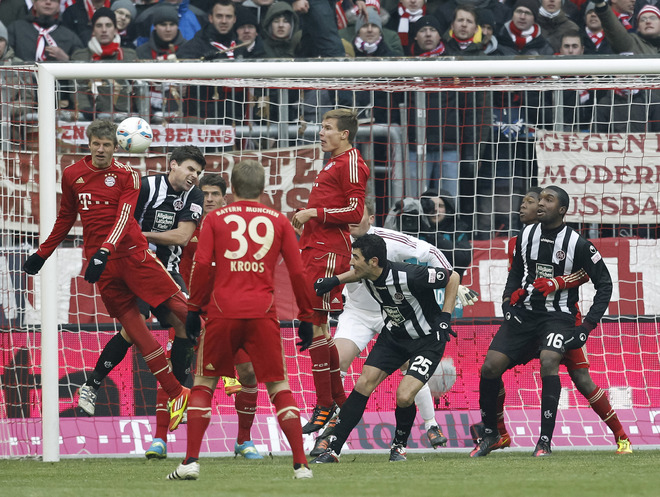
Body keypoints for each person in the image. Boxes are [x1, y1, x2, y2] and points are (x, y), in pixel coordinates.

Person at [22, 120, 190, 433]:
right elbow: (65, 218)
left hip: (134, 257)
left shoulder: (128, 175)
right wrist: (42, 253)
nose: (101, 150)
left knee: (185, 313)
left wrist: (104, 250)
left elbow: (125, 217)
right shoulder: (73, 174)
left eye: (107, 145)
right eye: (96, 144)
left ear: (117, 146)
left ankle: (228, 368)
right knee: (137, 332)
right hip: (103, 267)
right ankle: (176, 392)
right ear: (89, 143)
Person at [166, 159, 316, 480]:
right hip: (263, 313)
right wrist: (306, 316)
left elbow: (202, 266)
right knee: (279, 386)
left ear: (231, 190)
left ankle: (190, 461)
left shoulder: (215, 220)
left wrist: (193, 311)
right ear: (263, 190)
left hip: (222, 312)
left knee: (204, 383)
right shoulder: (279, 220)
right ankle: (301, 464)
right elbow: (298, 271)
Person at [469, 187, 633, 455]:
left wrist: (586, 327)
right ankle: (492, 434)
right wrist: (507, 301)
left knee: (572, 373)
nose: (540, 204)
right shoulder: (525, 236)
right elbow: (517, 272)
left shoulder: (578, 244)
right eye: (539, 199)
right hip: (525, 316)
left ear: (562, 210)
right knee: (490, 367)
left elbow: (603, 283)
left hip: (560, 318)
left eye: (547, 200)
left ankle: (556, 440)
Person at [311, 199, 476, 456]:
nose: (351, 263)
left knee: (404, 392)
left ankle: (423, 428)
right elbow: (356, 273)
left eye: (358, 214)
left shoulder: (403, 265)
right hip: (378, 322)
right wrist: (333, 280)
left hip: (418, 332)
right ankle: (332, 443)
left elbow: (444, 269)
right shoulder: (344, 247)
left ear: (371, 217)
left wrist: (446, 312)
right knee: (353, 374)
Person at [76, 145, 206, 420]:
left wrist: (141, 233)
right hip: (136, 267)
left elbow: (182, 236)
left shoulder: (194, 195)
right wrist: (134, 241)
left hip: (168, 270)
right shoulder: (145, 187)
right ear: (173, 164)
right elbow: (120, 223)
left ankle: (178, 394)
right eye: (190, 169)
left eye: (198, 172)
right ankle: (93, 384)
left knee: (188, 326)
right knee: (135, 326)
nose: (194, 175)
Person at [291, 109, 370, 435]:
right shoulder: (334, 162)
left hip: (328, 253)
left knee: (315, 327)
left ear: (345, 134)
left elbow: (355, 211)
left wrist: (314, 212)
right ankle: (335, 401)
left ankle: (326, 404)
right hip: (314, 250)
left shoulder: (352, 162)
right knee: (315, 329)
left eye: (327, 128)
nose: (321, 133)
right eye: (322, 127)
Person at [177, 172, 265, 461]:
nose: (210, 199)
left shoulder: (236, 228)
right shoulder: (187, 230)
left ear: (225, 197)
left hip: (235, 312)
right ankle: (164, 442)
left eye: (215, 194)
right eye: (205, 194)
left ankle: (243, 440)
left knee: (249, 372)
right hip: (198, 314)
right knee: (199, 378)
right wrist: (193, 309)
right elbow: (185, 274)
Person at [70, 8, 138, 121]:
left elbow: (139, 88)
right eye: (99, 26)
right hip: (90, 118)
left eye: (108, 25)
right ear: (93, 30)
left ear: (116, 29)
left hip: (124, 117)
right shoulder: (80, 57)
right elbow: (77, 87)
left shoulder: (129, 56)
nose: (104, 30)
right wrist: (85, 109)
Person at [7, 0, 83, 62]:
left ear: (59, 7)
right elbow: (6, 56)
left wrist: (66, 59)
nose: (48, 2)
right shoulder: (16, 29)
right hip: (23, 78)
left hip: (58, 80)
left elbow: (83, 64)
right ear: (35, 4)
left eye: (53, 0)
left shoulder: (70, 36)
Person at [595, 2, 660, 55]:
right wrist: (601, 5)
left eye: (653, 18)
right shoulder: (632, 43)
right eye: (643, 20)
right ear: (639, 27)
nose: (648, 21)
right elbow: (614, 30)